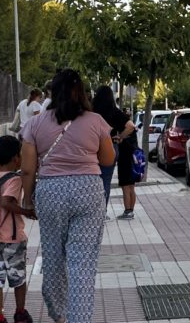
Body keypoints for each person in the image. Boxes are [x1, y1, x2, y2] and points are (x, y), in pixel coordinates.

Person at [20, 69, 115, 323]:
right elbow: (107, 159)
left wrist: (27, 200)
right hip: (88, 191)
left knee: (53, 256)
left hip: (51, 191)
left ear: (52, 92)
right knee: (82, 263)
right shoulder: (96, 121)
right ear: (81, 92)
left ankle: (58, 314)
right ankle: (79, 319)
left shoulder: (35, 124)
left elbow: (28, 168)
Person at [0, 136, 34, 323]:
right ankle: (20, 312)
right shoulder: (14, 179)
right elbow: (6, 202)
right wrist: (26, 212)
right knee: (19, 278)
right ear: (16, 158)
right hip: (12, 238)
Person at [93, 86, 139, 218]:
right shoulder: (114, 111)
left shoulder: (91, 111)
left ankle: (94, 211)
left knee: (93, 180)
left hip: (92, 148)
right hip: (110, 147)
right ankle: (103, 212)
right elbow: (131, 126)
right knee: (106, 180)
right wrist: (120, 137)